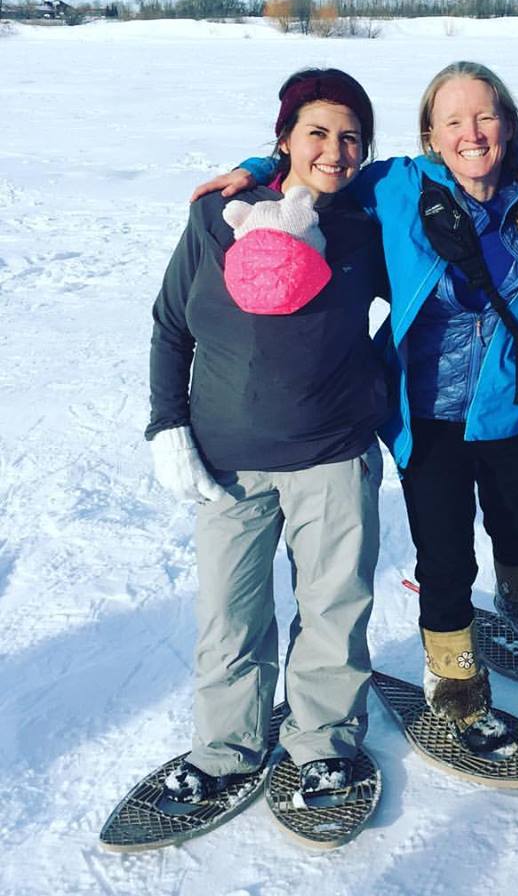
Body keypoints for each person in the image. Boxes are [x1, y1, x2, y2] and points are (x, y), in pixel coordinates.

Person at [193, 62, 518, 753]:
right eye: (452, 121)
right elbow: (314, 175)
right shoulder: (397, 187)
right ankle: (456, 682)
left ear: (510, 125)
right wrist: (258, 166)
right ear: (429, 135)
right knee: (444, 552)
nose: (471, 133)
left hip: (514, 404)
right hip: (426, 411)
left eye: (485, 116)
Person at [147, 68, 387, 802]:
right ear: (284, 137)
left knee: (334, 607)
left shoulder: (366, 225)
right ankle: (227, 746)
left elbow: (426, 300)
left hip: (333, 455)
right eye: (317, 132)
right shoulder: (218, 218)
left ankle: (325, 740)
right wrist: (167, 424)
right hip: (229, 462)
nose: (335, 151)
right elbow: (171, 325)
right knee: (231, 613)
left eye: (352, 137)